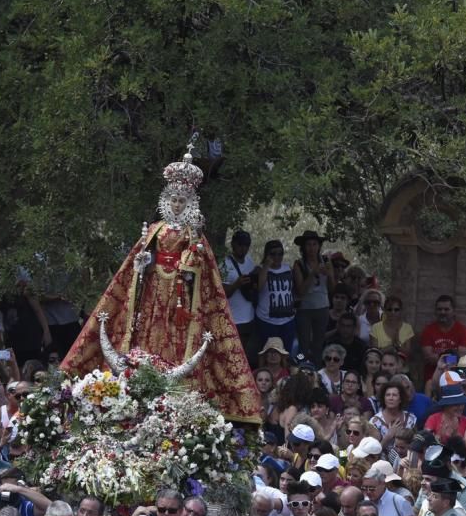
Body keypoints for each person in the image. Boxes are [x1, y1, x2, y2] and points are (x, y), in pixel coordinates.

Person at [61, 146, 260, 423]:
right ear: (167, 200)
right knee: (149, 324)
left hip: (180, 292)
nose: (177, 204)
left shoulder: (193, 233)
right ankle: (143, 363)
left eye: (182, 200)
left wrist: (191, 255)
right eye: (174, 199)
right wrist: (142, 263)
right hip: (155, 286)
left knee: (175, 329)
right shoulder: (156, 229)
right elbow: (138, 261)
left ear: (189, 202)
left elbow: (200, 265)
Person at [292, 231, 335, 365]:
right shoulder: (298, 264)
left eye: (314, 244)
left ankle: (316, 369)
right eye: (308, 245)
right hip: (305, 310)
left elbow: (332, 289)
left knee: (318, 343)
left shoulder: (326, 261)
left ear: (319, 246)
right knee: (303, 344)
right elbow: (300, 291)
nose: (311, 248)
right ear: (303, 247)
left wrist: (330, 275)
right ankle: (300, 367)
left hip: (322, 308)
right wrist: (313, 273)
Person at [221, 230, 259, 364]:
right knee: (233, 356)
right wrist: (237, 284)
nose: (243, 248)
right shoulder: (225, 264)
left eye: (246, 245)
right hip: (233, 319)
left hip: (249, 317)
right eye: (240, 245)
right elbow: (223, 294)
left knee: (246, 357)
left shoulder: (249, 261)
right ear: (233, 245)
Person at [419, 296, 466, 380]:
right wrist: (453, 357)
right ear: (435, 311)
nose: (442, 312)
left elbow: (462, 358)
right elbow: (429, 358)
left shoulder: (463, 331)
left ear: (453, 311)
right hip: (432, 379)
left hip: (455, 379)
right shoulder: (428, 330)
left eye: (446, 309)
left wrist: (439, 358)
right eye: (439, 309)